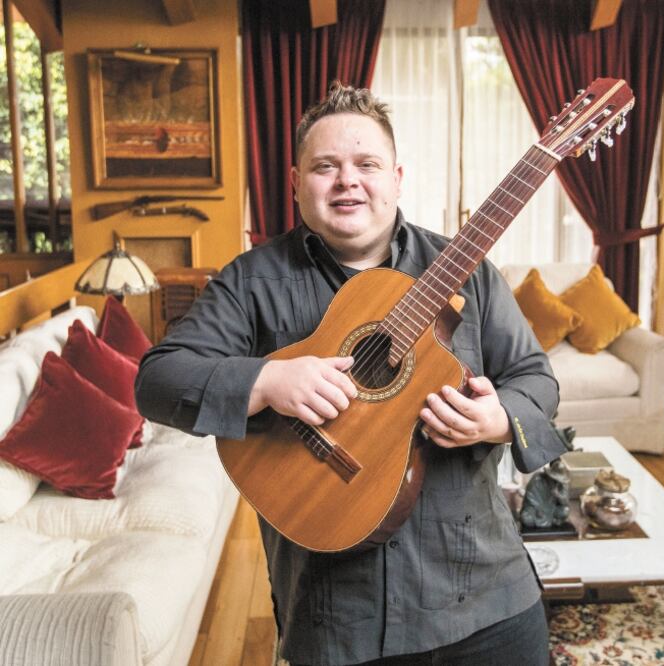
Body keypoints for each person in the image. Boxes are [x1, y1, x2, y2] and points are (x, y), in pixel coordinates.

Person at [135, 81, 568, 666]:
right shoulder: (251, 281)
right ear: (294, 183)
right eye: (325, 166)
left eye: (367, 164)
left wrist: (497, 418)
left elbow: (536, 380)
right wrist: (267, 383)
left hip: (483, 595)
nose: (348, 181)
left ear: (397, 178)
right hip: (337, 617)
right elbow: (158, 379)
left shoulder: (469, 272)